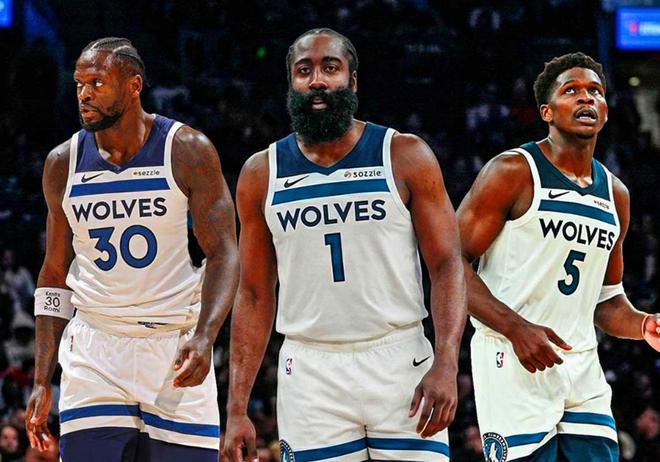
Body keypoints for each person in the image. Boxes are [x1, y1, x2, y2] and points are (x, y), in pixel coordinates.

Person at [223, 28, 466, 462]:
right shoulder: (261, 173)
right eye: (304, 71)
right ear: (291, 83)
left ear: (352, 80)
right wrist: (237, 408)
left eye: (330, 68)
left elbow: (448, 265)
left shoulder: (404, 155)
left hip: (399, 359)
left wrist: (447, 361)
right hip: (310, 369)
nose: (317, 80)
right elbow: (255, 293)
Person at [24, 37, 239, 461]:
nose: (84, 94)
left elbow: (224, 253)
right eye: (79, 84)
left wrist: (205, 336)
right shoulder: (62, 163)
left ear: (134, 85)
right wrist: (41, 379)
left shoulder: (186, 150)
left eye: (97, 83)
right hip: (95, 350)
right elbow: (53, 274)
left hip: (173, 344)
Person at [457, 52, 660, 461]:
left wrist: (644, 325)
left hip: (582, 364)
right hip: (512, 357)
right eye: (571, 90)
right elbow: (447, 264)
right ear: (546, 112)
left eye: (595, 92)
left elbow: (606, 301)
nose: (586, 98)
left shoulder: (615, 194)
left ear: (605, 111)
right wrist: (515, 328)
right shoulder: (513, 171)